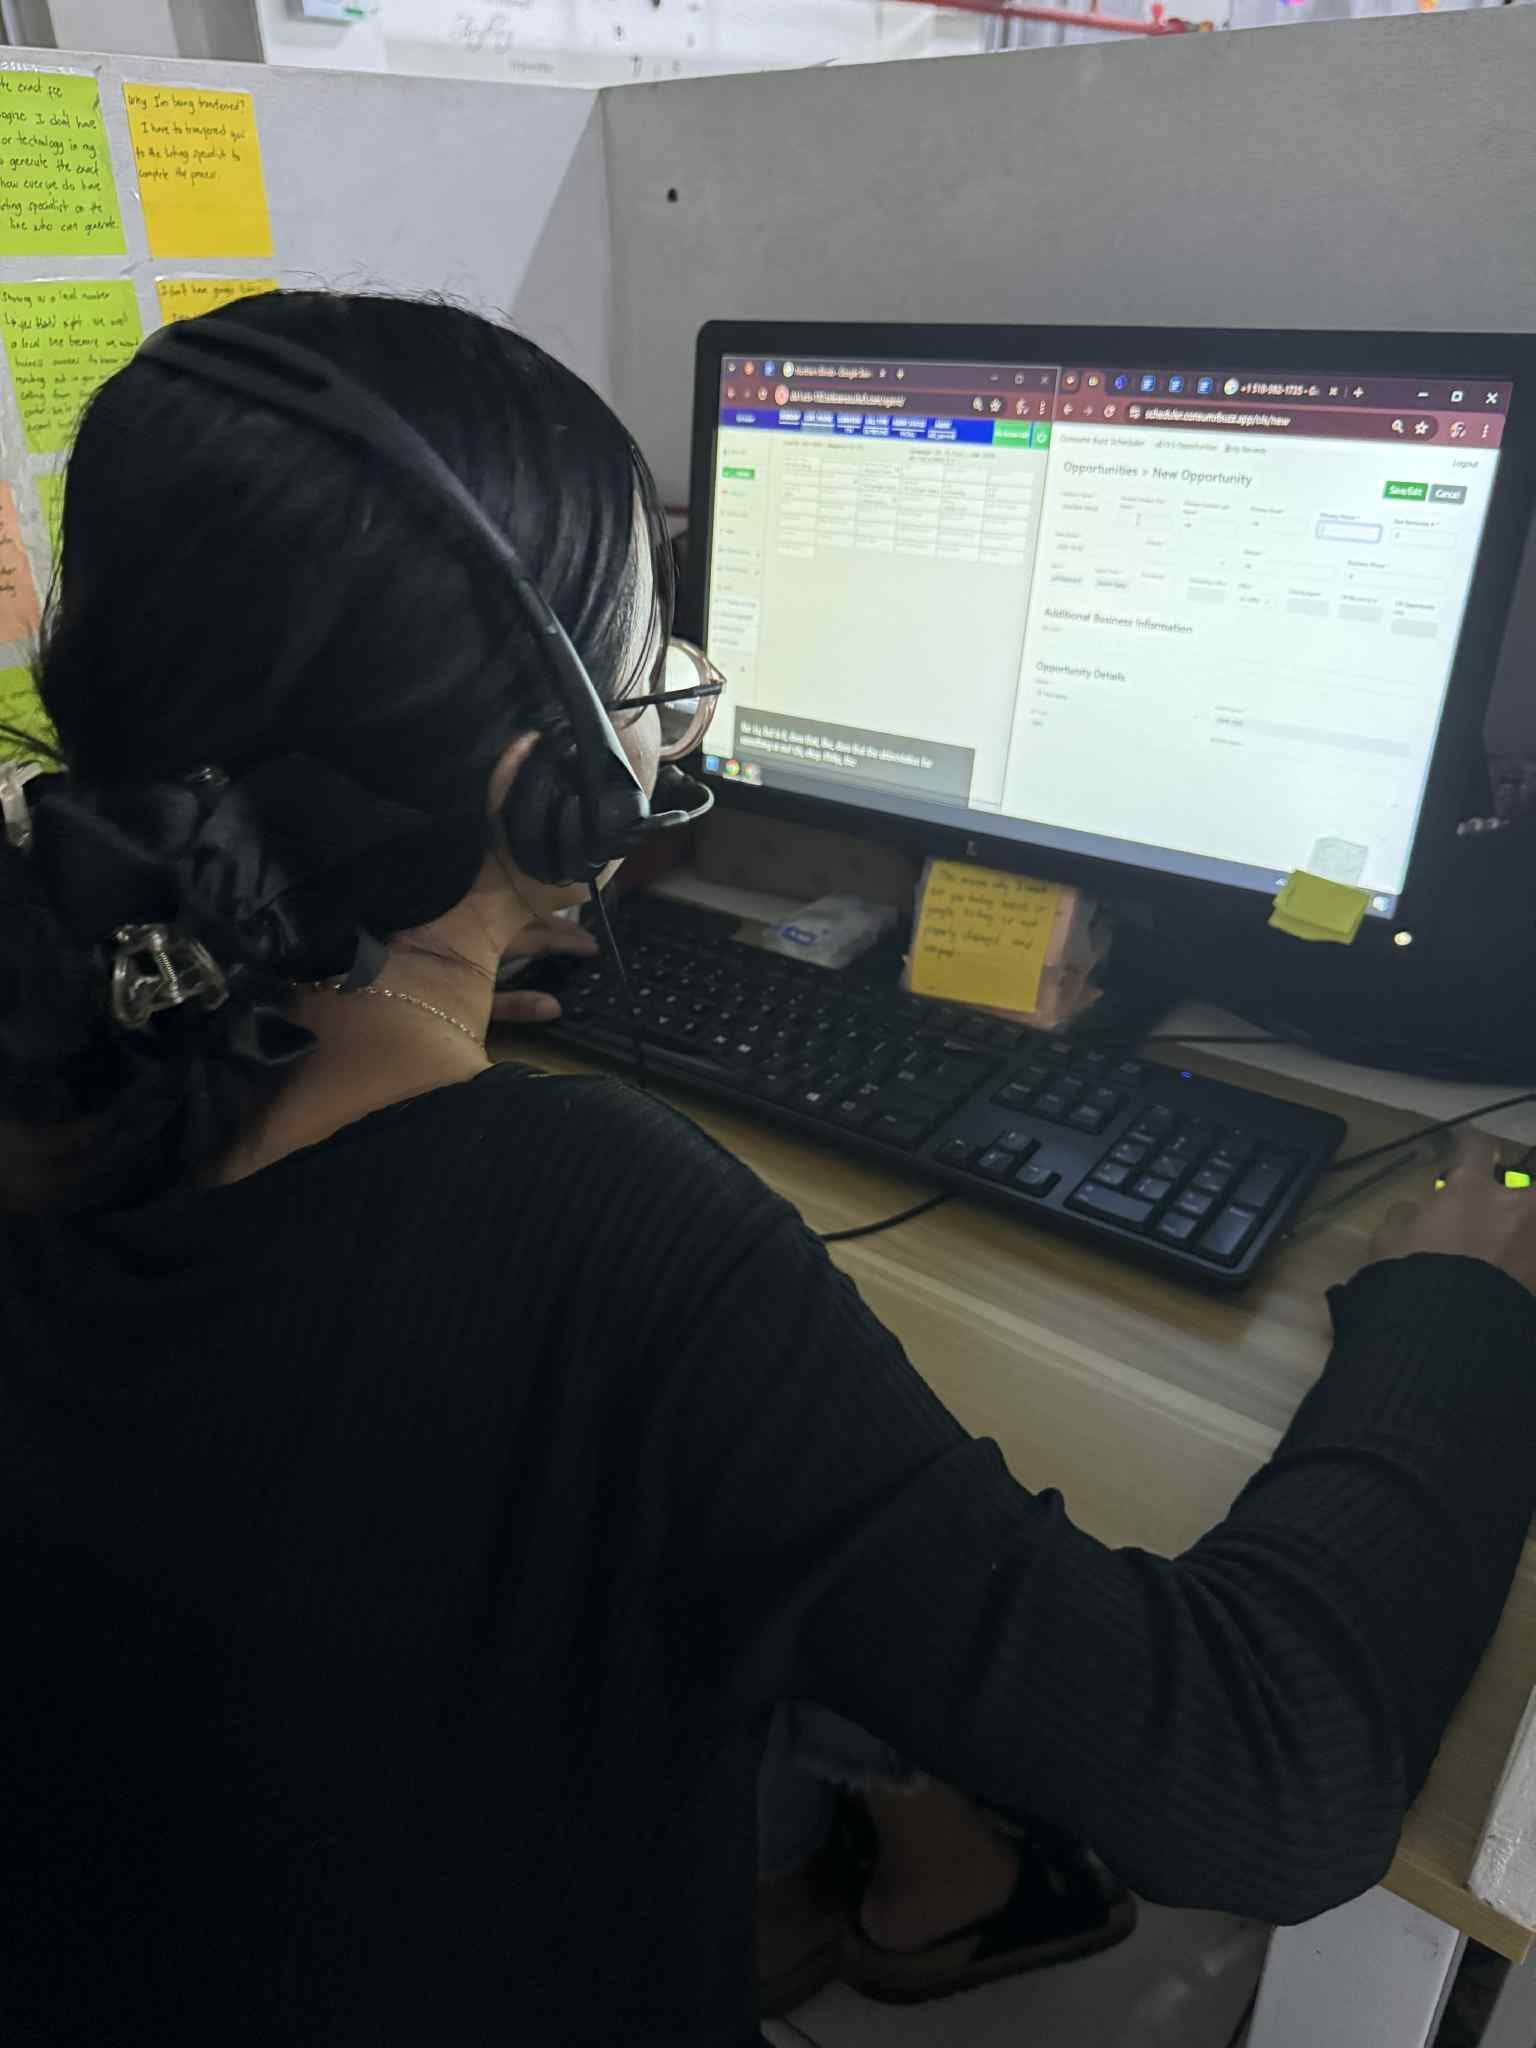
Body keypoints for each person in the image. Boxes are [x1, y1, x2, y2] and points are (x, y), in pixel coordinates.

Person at [2, 291, 1535, 2048]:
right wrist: (1448, 1330)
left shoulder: (60, 1034)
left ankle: (863, 1867)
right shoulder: (588, 1218)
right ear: (549, 781)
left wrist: (453, 978)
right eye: (641, 644)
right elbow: (1264, 1777)